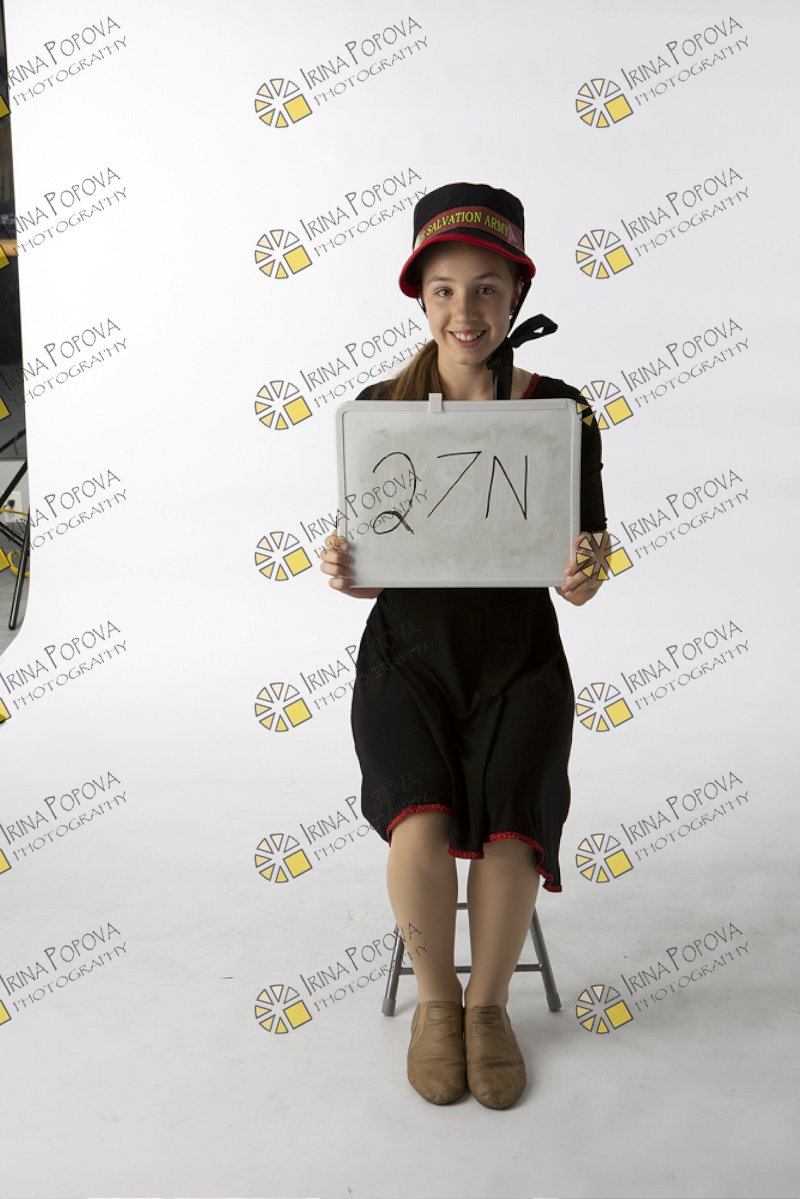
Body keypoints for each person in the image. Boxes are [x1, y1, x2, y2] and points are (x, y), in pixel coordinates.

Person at [319, 182, 610, 1109]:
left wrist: (586, 572)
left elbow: (586, 554)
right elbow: (374, 567)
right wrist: (348, 571)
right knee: (422, 819)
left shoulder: (561, 411)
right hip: (407, 657)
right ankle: (436, 1005)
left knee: (514, 826)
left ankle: (489, 1010)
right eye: (444, 289)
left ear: (517, 294)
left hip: (520, 657)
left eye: (487, 287)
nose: (466, 309)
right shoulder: (382, 410)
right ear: (420, 297)